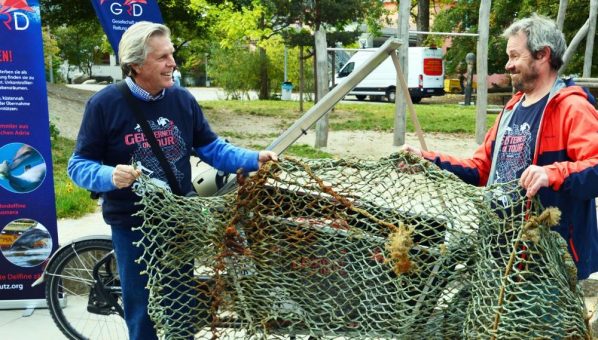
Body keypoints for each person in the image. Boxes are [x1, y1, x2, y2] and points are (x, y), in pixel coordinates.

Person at [67, 21, 277, 340]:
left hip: (179, 221)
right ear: (137, 65)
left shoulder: (181, 100)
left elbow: (213, 149)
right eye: (162, 57)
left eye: (172, 54)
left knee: (181, 308)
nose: (172, 63)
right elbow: (78, 165)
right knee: (143, 313)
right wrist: (109, 175)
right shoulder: (105, 104)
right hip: (133, 225)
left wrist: (253, 158)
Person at [401, 14, 598, 280]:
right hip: (502, 255)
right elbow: (481, 169)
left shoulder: (571, 107)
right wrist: (426, 160)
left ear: (543, 55)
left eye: (515, 56)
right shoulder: (512, 108)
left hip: (550, 266)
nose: (508, 65)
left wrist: (551, 173)